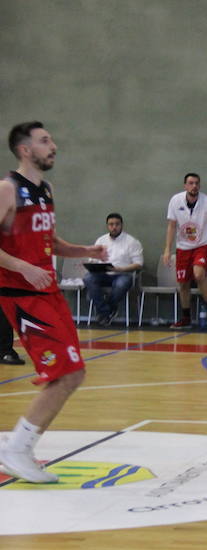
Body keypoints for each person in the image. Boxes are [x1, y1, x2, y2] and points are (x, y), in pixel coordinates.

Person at [0, 121, 107, 482]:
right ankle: (17, 449)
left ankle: (19, 445)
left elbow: (50, 241)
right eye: (45, 141)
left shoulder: (45, 189)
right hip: (23, 295)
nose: (54, 146)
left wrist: (84, 250)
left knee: (73, 373)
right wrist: (23, 267)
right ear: (24, 149)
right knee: (65, 374)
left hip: (46, 290)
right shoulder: (7, 189)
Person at [163, 172, 207, 329]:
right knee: (183, 283)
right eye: (190, 183)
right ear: (185, 185)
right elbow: (171, 226)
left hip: (203, 244)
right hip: (183, 247)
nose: (194, 186)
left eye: (196, 183)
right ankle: (186, 317)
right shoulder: (175, 201)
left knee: (199, 274)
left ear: (199, 185)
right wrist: (167, 250)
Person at [83, 212, 143, 325]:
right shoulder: (101, 240)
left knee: (122, 283)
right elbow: (93, 259)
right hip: (103, 273)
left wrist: (120, 269)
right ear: (107, 226)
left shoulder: (131, 241)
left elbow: (139, 264)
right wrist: (91, 264)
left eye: (117, 224)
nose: (114, 227)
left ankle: (105, 311)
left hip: (122, 273)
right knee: (88, 278)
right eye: (111, 224)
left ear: (122, 225)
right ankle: (106, 311)